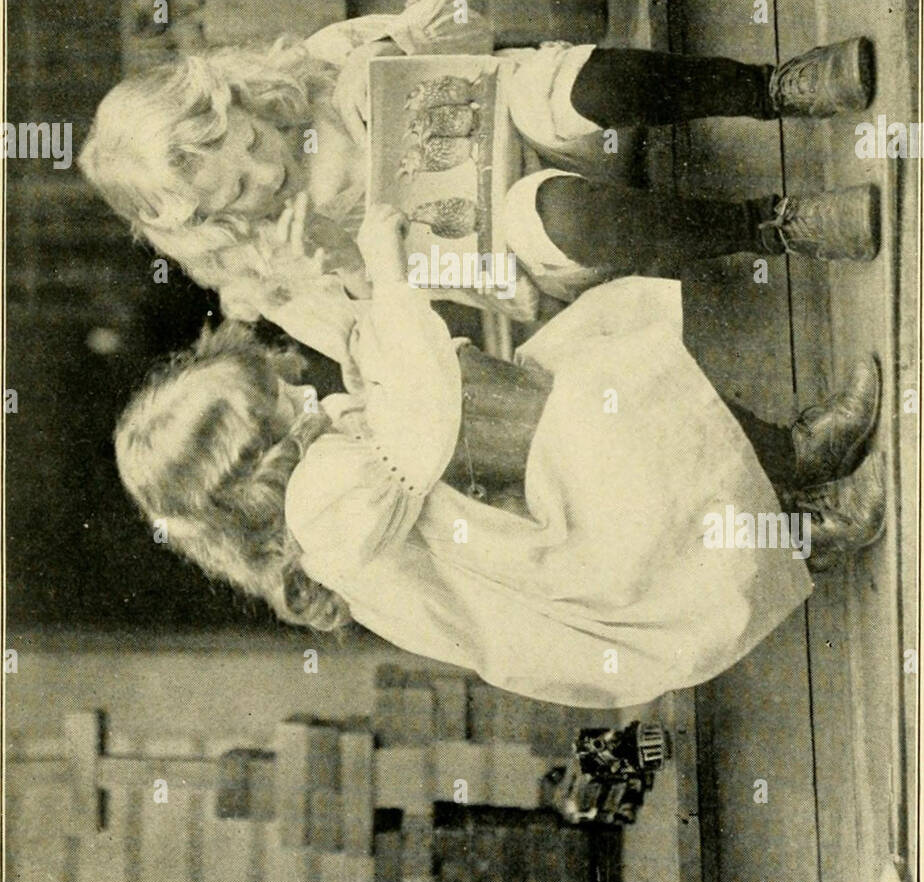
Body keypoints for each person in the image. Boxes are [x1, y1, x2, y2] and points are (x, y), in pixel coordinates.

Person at [114, 205, 883, 709]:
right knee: (614, 432)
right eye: (278, 407)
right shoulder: (318, 505)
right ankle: (810, 528)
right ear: (256, 464)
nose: (297, 393)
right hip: (546, 569)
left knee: (601, 388)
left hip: (514, 526)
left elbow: (390, 413)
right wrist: (387, 273)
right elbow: (420, 420)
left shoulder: (319, 478)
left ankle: (791, 456)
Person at [80, 0, 880, 365]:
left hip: (511, 113)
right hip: (502, 224)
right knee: (565, 216)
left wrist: (418, 37)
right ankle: (778, 224)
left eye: (249, 140)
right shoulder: (276, 278)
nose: (265, 170)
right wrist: (337, 272)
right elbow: (391, 357)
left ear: (236, 97)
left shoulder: (316, 67)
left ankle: (772, 88)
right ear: (216, 226)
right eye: (240, 194)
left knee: (584, 86)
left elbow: (474, 26)